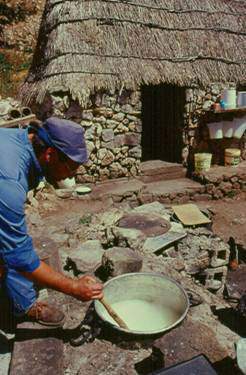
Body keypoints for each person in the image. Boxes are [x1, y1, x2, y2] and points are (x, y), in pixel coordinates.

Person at [0, 117, 103, 327]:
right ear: (50, 154)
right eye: (72, 167)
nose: (73, 174)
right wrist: (73, 287)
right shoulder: (9, 180)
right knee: (13, 254)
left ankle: (21, 301)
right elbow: (20, 257)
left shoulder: (19, 141)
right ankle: (22, 306)